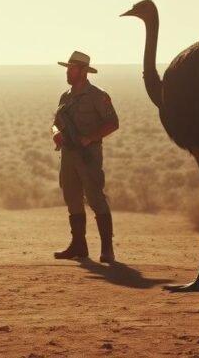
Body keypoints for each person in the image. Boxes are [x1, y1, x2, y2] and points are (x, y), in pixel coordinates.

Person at [51, 50, 120, 263]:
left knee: (95, 198)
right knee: (72, 198)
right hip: (68, 155)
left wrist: (89, 138)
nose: (68, 73)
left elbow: (113, 123)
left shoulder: (98, 96)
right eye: (68, 69)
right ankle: (79, 245)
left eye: (72, 69)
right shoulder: (66, 96)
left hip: (88, 155)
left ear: (83, 72)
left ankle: (107, 248)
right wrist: (56, 134)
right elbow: (56, 122)